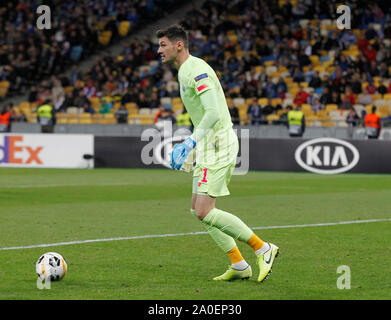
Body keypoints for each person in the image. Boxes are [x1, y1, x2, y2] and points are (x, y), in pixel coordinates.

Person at [156, 24, 279, 282]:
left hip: (218, 144)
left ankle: (263, 248)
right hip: (208, 145)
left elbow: (212, 112)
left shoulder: (196, 69)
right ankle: (239, 264)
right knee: (196, 210)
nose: (159, 50)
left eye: (163, 44)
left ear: (179, 45)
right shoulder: (185, 71)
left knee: (204, 211)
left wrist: (189, 142)